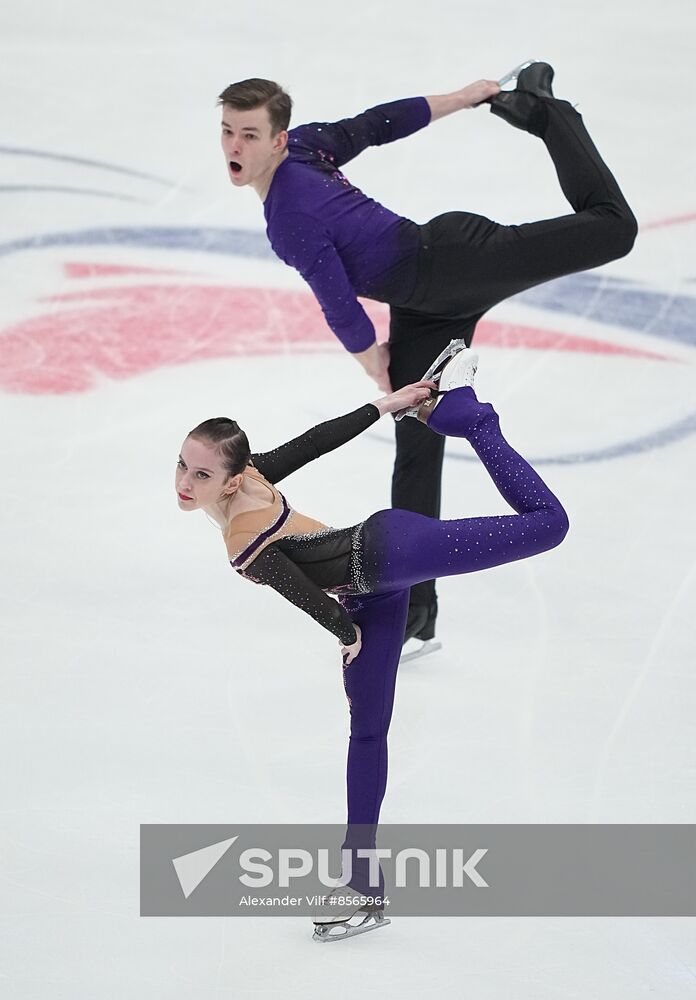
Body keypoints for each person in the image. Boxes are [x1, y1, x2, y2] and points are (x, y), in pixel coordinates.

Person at [215, 61, 635, 649]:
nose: (234, 146)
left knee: (615, 229)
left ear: (279, 138)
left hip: (456, 263)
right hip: (423, 299)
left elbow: (340, 302)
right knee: (417, 446)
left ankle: (545, 110)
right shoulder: (303, 153)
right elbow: (376, 123)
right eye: (229, 131)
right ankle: (417, 611)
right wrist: (464, 97)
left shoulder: (290, 214)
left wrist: (373, 361)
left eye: (249, 134)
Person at [174, 346, 569, 939]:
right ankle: (363, 886)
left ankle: (471, 418)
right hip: (372, 589)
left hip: (392, 554)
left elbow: (304, 594)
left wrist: (347, 636)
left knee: (548, 524)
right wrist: (386, 405)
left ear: (231, 479)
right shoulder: (254, 474)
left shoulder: (239, 538)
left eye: (200, 474)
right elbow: (315, 441)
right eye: (182, 466)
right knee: (367, 732)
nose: (185, 482)